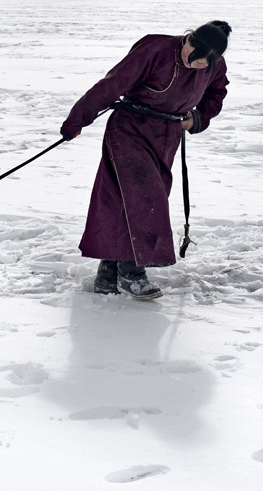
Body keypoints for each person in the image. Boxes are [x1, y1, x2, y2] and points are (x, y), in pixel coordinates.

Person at [60, 21, 231, 299]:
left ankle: (108, 274)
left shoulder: (213, 63)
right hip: (130, 129)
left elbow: (217, 92)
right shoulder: (156, 49)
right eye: (196, 61)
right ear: (189, 42)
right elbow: (112, 84)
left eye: (205, 66)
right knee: (145, 198)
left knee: (124, 200)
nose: (199, 68)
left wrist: (197, 118)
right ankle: (132, 272)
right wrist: (78, 119)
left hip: (167, 134)